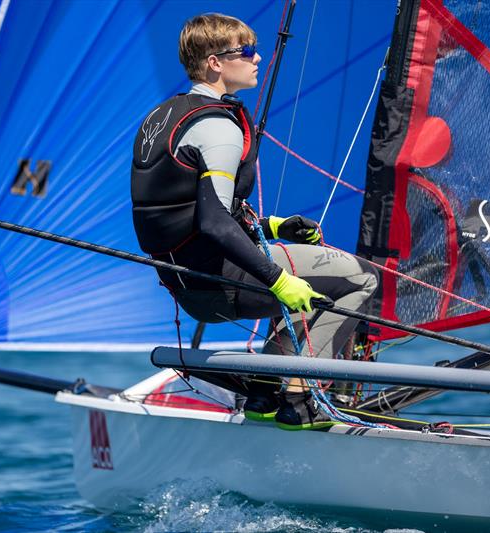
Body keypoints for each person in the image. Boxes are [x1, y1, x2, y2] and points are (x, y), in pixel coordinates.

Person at [130, 13, 378, 429]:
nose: (257, 57)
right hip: (222, 283)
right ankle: (298, 399)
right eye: (245, 51)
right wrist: (280, 281)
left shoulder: (162, 117)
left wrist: (275, 228)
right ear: (214, 62)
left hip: (189, 286)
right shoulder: (218, 128)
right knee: (361, 279)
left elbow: (191, 213)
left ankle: (263, 392)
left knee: (306, 274)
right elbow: (213, 224)